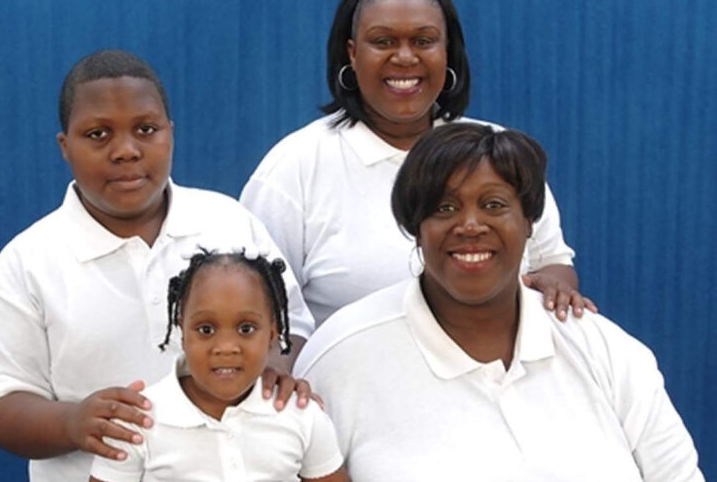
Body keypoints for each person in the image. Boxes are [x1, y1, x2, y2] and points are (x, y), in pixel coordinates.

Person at [0, 50, 316, 482]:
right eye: (98, 134)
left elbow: (291, 326)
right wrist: (74, 422)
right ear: (65, 146)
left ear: (171, 134)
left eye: (146, 130)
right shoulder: (28, 263)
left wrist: (275, 373)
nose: (126, 151)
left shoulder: (229, 223)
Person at [294, 123, 703, 481]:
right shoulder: (341, 359)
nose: (470, 225)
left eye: (494, 205)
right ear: (416, 229)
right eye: (445, 208)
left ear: (529, 223)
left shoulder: (607, 352)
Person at [240, 0, 594, 326]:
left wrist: (556, 287)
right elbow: (258, 310)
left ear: (447, 51)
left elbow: (552, 261)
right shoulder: (295, 166)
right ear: (352, 52)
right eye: (383, 41)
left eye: (423, 41)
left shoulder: (495, 151)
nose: (405, 57)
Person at [90, 248, 348, 482]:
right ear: (183, 331)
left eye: (246, 329)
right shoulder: (137, 419)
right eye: (206, 329)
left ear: (272, 334)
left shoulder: (301, 414)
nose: (226, 347)